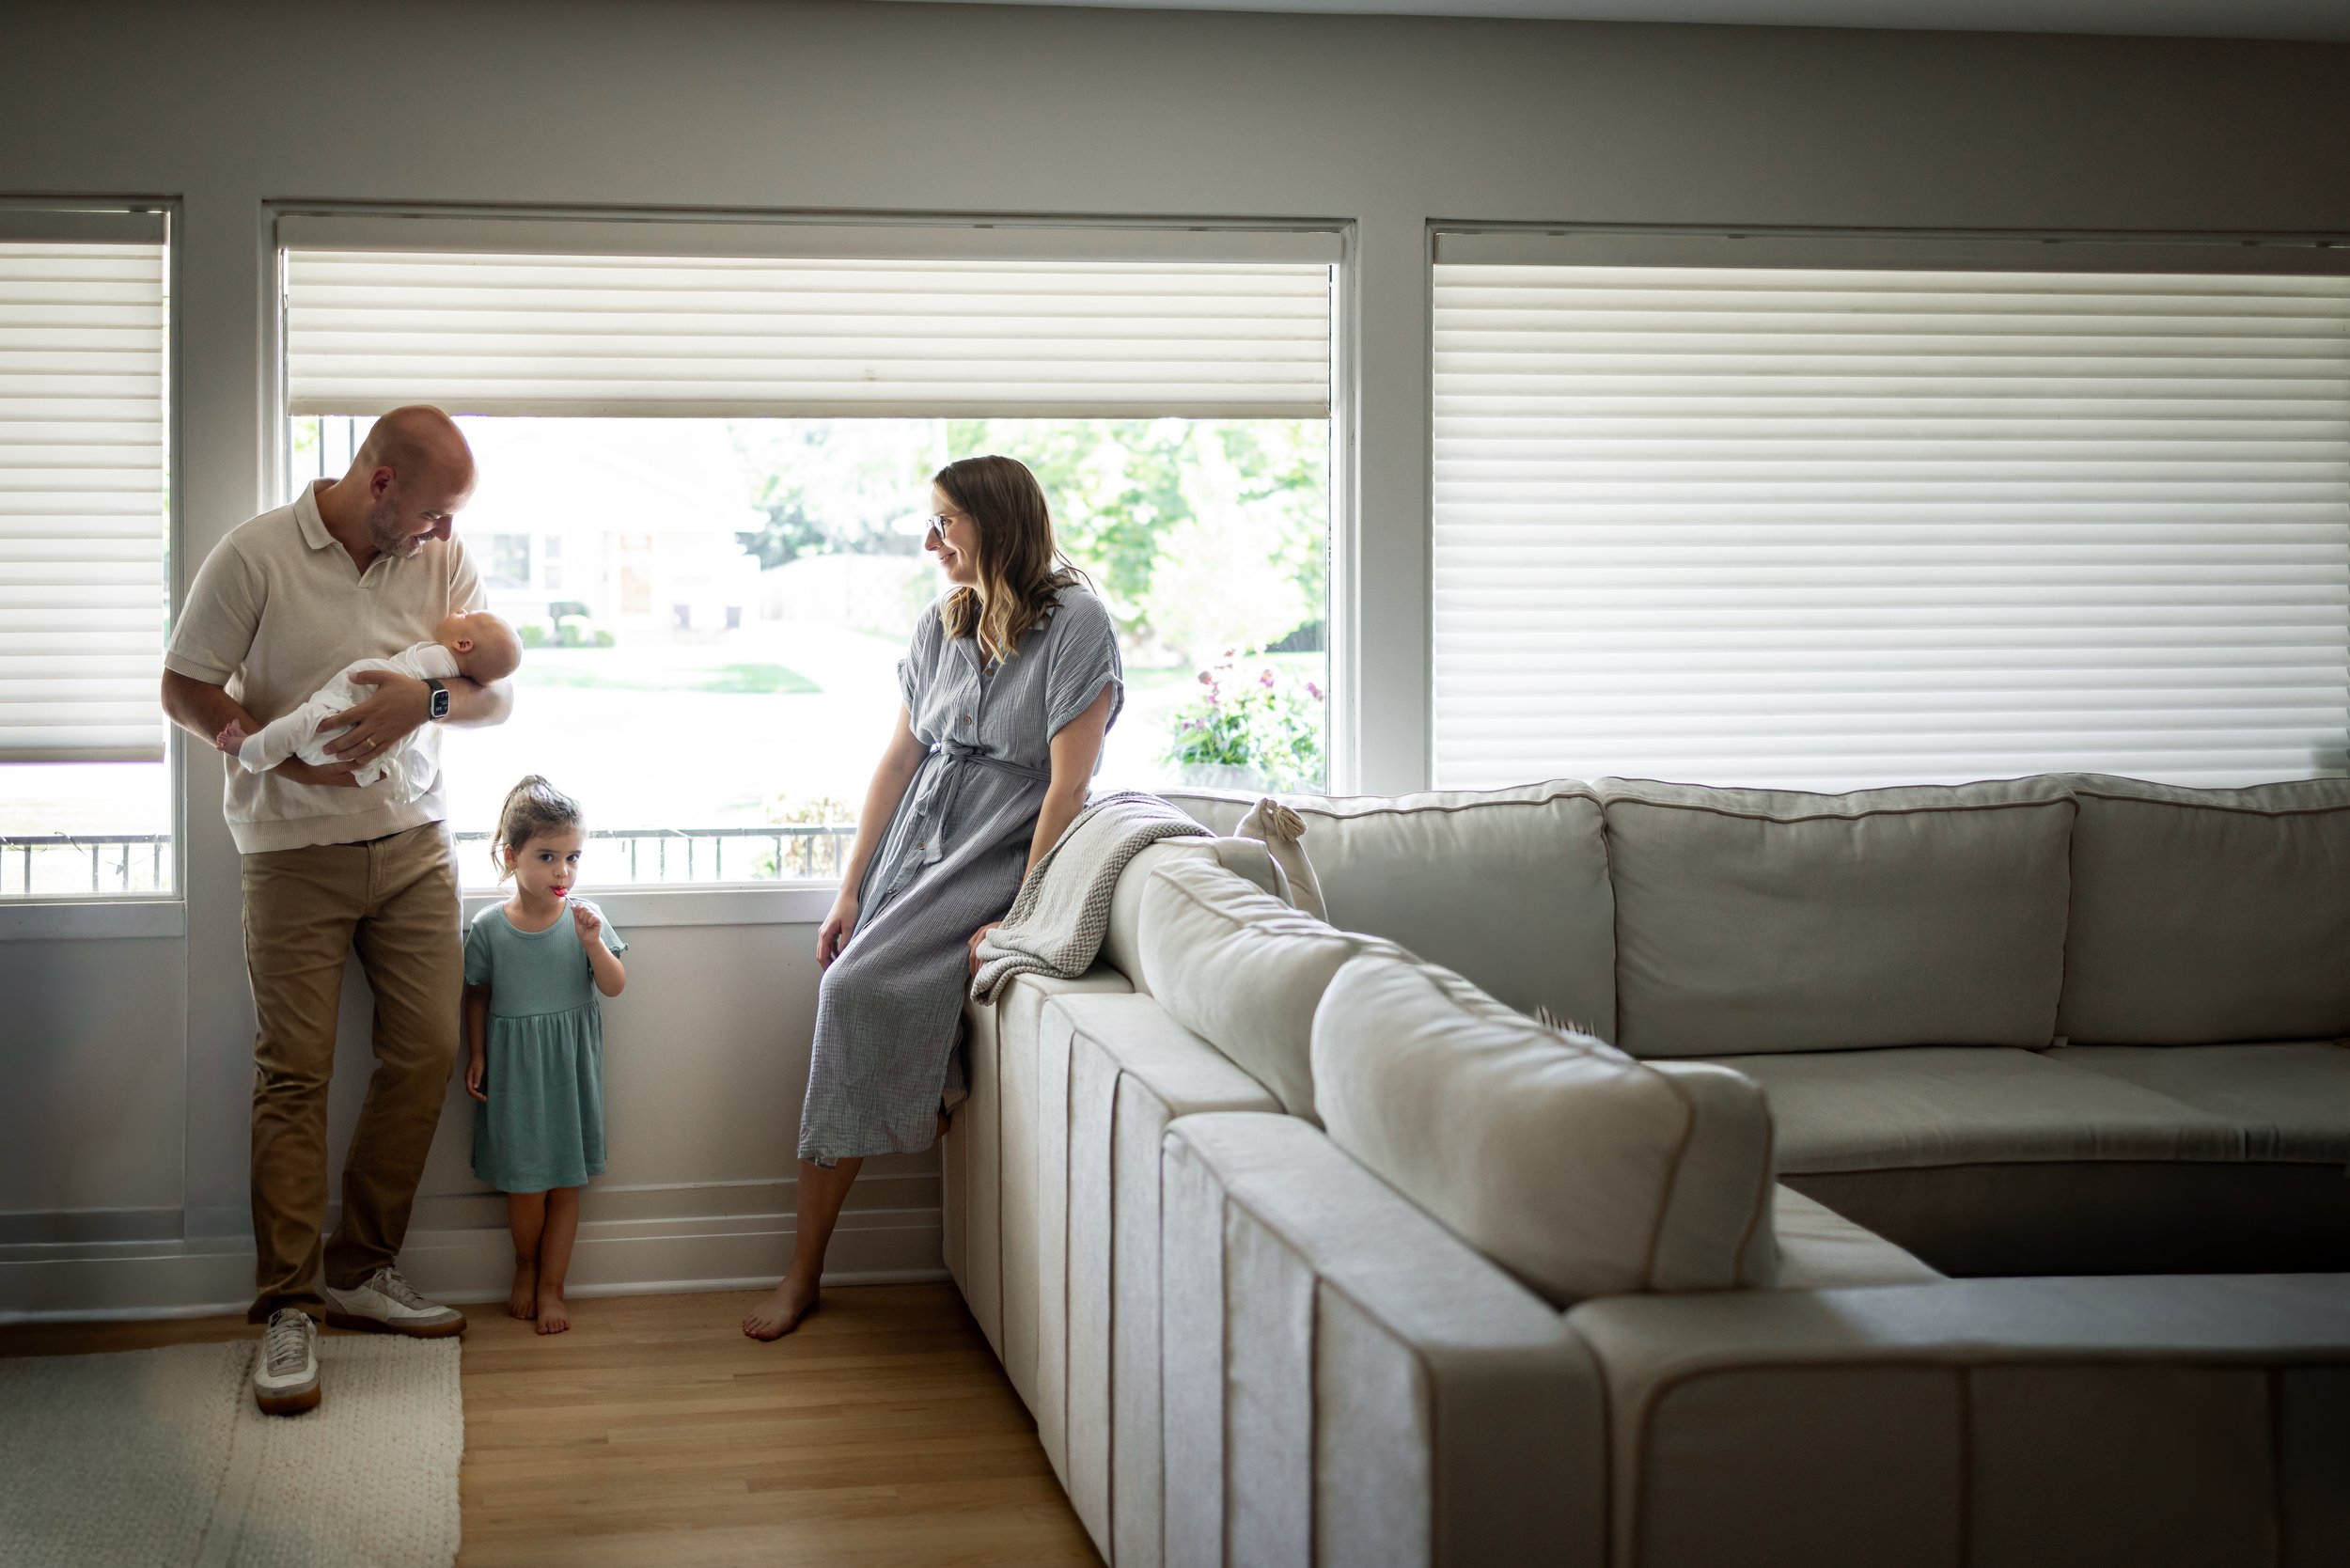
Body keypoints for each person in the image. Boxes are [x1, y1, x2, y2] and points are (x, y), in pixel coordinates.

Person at [160, 405, 511, 1416]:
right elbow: (183, 685)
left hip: (411, 845)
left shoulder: (440, 561)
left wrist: (427, 702)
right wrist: (262, 740)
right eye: (436, 510)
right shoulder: (256, 554)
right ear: (382, 482)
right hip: (288, 854)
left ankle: (363, 1267)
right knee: (294, 1072)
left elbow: (494, 691)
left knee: (426, 1050)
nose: (446, 532)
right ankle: (287, 1307)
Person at [744, 455, 1123, 1341]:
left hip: (999, 844)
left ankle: (802, 1274)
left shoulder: (1079, 624)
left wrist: (1026, 914)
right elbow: (900, 759)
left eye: (945, 521)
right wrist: (850, 887)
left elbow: (1069, 788)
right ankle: (932, 1090)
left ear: (996, 523)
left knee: (849, 994)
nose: (930, 540)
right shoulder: (942, 622)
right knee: (849, 975)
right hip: (918, 837)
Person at [463, 776, 628, 1336]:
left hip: (569, 1074)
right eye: (548, 856)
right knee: (525, 1188)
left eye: (573, 857)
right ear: (512, 858)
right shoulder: (488, 928)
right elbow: (477, 994)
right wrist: (478, 1053)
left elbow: (614, 986)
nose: (564, 871)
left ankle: (554, 1287)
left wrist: (592, 943)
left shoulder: (586, 919)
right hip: (515, 1075)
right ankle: (525, 1266)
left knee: (565, 1185)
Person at [219, 609, 522, 795]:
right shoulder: (461, 656)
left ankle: (250, 750)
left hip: (348, 711)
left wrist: (427, 700)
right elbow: (490, 680)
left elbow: (500, 697)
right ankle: (257, 748)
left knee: (304, 722)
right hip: (302, 806)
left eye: (466, 616)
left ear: (463, 644)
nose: (462, 609)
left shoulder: (441, 656)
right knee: (302, 727)